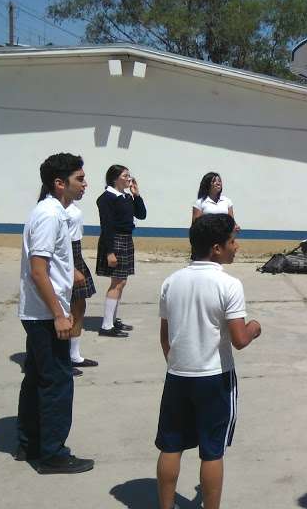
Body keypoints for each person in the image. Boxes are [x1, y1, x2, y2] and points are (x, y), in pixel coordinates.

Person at [156, 214, 262, 509]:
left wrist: (177, 363)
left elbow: (165, 337)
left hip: (177, 374)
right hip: (214, 378)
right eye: (232, 241)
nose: (236, 246)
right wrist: (255, 326)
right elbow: (240, 339)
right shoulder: (228, 284)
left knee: (170, 445)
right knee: (212, 451)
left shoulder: (171, 281)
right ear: (216, 248)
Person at [17, 153, 94, 474]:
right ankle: (52, 454)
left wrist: (71, 271)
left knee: (37, 378)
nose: (84, 184)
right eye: (79, 178)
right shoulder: (50, 216)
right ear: (59, 183)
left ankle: (29, 442)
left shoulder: (53, 212)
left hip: (38, 313)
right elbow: (38, 271)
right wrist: (60, 314)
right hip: (46, 316)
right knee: (58, 382)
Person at [95, 164, 146, 337]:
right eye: (125, 176)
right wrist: (109, 252)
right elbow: (106, 225)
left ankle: (112, 320)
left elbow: (141, 214)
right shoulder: (106, 198)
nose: (129, 179)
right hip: (114, 240)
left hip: (126, 239)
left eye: (129, 176)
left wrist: (136, 195)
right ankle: (106, 326)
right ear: (115, 178)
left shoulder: (126, 197)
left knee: (121, 282)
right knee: (116, 283)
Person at [67, 201, 99, 373]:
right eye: (80, 179)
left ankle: (74, 355)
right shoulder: (55, 209)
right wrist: (70, 268)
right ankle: (62, 358)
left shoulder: (71, 205)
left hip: (76, 251)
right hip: (68, 254)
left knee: (79, 305)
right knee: (64, 308)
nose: (85, 184)